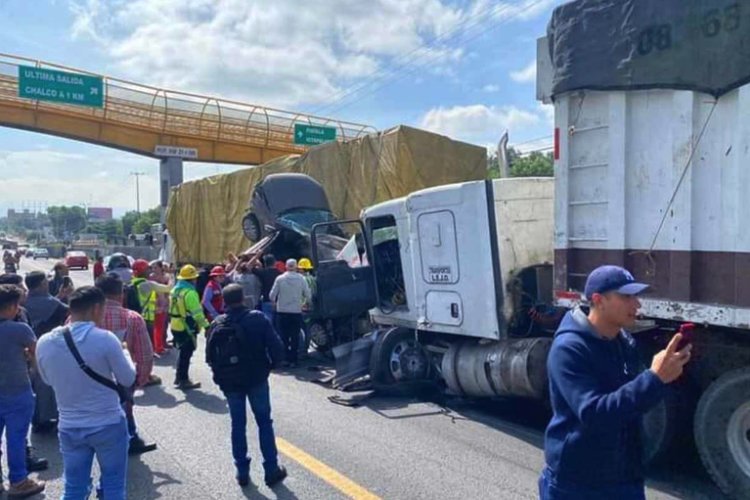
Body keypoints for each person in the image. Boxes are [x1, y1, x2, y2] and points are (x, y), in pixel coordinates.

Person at [540, 265, 692, 500]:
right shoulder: (569, 349)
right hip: (578, 482)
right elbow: (594, 413)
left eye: (636, 296)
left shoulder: (624, 342)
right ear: (599, 300)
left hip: (623, 477)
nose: (637, 304)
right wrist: (653, 378)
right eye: (627, 296)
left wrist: (665, 376)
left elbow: (631, 404)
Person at [36, 286, 135, 500]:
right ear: (97, 308)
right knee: (113, 485)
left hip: (70, 426)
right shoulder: (106, 339)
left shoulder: (44, 342)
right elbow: (127, 379)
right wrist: (125, 352)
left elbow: (46, 380)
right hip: (107, 422)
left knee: (74, 488)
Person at [205, 284, 287, 488]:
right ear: (243, 298)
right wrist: (273, 365)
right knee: (264, 422)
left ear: (224, 301)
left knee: (237, 425)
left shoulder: (217, 323)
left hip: (231, 382)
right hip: (256, 378)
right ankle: (271, 469)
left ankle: (242, 471)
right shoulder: (258, 318)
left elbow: (209, 356)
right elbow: (276, 346)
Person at [96, 275, 158, 455]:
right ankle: (128, 439)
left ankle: (123, 439)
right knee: (124, 409)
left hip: (90, 379)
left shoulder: (81, 318)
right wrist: (139, 380)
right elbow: (145, 356)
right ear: (121, 294)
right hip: (123, 379)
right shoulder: (133, 318)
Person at [0, 285, 47, 498]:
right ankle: (18, 480)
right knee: (17, 438)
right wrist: (33, 371)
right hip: (17, 390)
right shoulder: (20, 329)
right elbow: (38, 355)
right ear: (11, 306)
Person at [23, 271, 68, 434]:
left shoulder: (22, 303)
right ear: (42, 284)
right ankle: (45, 418)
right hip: (50, 349)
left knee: (30, 386)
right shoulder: (54, 305)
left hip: (24, 351)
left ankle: (37, 418)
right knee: (48, 386)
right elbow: (67, 314)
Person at [169, 265, 209, 390]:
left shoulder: (175, 290)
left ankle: (178, 377)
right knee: (186, 354)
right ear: (191, 280)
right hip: (187, 326)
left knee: (181, 352)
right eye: (194, 278)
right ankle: (183, 380)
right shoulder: (190, 293)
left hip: (175, 325)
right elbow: (197, 313)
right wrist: (206, 326)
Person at [269, 259, 311, 368]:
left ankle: (286, 359)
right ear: (296, 267)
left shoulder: (280, 279)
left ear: (286, 267)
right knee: (295, 336)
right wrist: (305, 304)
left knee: (283, 336)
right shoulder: (301, 279)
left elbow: (271, 296)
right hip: (296, 311)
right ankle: (294, 360)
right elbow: (308, 294)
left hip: (282, 312)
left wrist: (274, 303)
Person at [131, 259, 171, 352]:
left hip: (135, 314)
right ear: (144, 271)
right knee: (148, 343)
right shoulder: (148, 284)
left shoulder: (132, 282)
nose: (151, 271)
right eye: (148, 269)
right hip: (147, 317)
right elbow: (168, 288)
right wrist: (171, 276)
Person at [149, 260, 172, 352]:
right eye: (152, 268)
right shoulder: (151, 277)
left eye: (156, 267)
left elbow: (169, 289)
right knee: (155, 326)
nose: (154, 270)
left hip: (165, 303)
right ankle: (156, 346)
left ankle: (162, 343)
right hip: (154, 304)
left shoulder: (166, 277)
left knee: (164, 325)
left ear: (161, 267)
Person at [253, 254, 281, 324]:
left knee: (268, 323)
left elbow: (248, 266)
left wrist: (256, 256)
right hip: (278, 302)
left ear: (265, 263)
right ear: (275, 262)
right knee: (278, 324)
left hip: (266, 300)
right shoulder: (280, 274)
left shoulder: (263, 272)